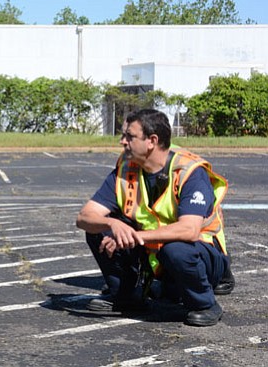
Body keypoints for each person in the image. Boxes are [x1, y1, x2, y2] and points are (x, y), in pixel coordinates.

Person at [76, 109, 233, 326]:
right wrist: (111, 223)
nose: (122, 142)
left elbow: (189, 230)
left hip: (200, 251)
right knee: (100, 230)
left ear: (152, 141)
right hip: (157, 252)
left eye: (129, 137)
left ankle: (205, 304)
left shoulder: (189, 172)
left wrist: (136, 235)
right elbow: (84, 217)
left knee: (176, 251)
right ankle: (127, 296)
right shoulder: (127, 168)